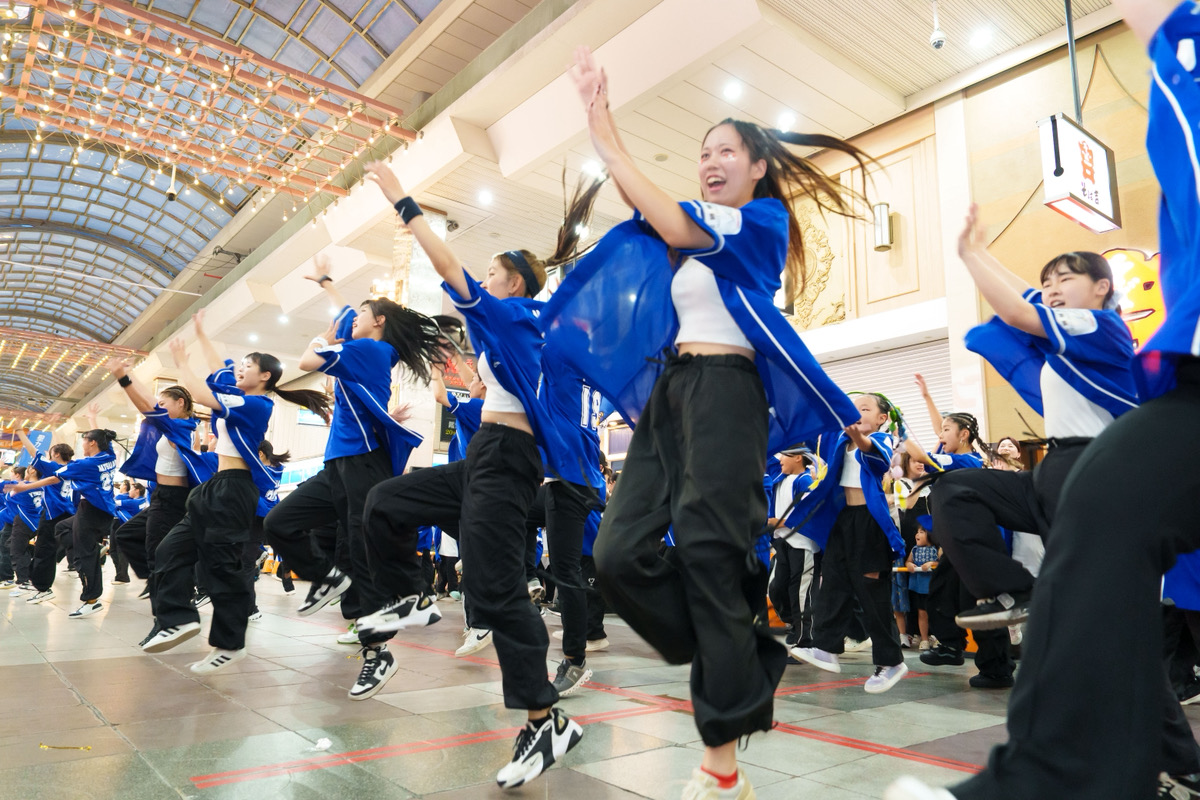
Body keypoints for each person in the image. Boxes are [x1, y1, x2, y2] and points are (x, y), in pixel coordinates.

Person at [887, 2, 1200, 798]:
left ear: (1101, 286)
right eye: (1052, 271)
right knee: (962, 491)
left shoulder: (1098, 326)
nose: (1057, 280)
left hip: (1093, 465)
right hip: (1059, 471)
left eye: (1070, 271)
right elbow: (1012, 328)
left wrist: (973, 252)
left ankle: (1140, 751)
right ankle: (1021, 596)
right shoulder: (1059, 356)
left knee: (1108, 605)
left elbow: (1023, 312)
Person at [540, 46, 870, 798]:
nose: (710, 161)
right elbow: (648, 235)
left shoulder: (760, 221)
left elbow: (665, 214)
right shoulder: (687, 242)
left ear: (757, 166)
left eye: (725, 150)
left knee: (712, 555)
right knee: (617, 553)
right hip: (672, 394)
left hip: (728, 391)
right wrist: (596, 117)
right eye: (703, 153)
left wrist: (605, 125)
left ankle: (721, 771)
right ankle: (739, 653)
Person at [357, 157, 605, 787]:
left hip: (506, 464)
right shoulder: (516, 330)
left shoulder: (514, 316)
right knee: (385, 502)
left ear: (516, 284)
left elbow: (446, 270)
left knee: (495, 591)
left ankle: (546, 720)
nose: (482, 280)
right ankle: (409, 595)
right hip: (483, 460)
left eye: (493, 273)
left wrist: (404, 203)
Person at [263, 253, 444, 698]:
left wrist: (321, 335)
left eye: (363, 314)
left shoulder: (371, 349)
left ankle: (380, 649)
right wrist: (326, 282)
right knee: (278, 523)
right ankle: (329, 581)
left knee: (364, 552)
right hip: (339, 463)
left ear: (378, 322)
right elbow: (349, 317)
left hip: (362, 460)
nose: (350, 320)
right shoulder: (367, 347)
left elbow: (308, 359)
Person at [140, 311, 330, 675]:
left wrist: (180, 362)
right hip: (213, 488)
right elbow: (219, 370)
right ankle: (177, 618)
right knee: (168, 549)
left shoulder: (258, 403)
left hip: (234, 489)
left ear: (265, 377)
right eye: (241, 365)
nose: (240, 369)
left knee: (222, 569)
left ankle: (230, 644)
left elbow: (199, 391)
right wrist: (200, 332)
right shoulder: (239, 392)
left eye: (248, 366)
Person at [791, 394, 908, 692]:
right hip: (844, 521)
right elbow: (811, 431)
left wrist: (857, 433)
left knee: (872, 594)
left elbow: (877, 456)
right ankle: (826, 648)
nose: (855, 413)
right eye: (852, 408)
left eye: (864, 409)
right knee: (832, 583)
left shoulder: (882, 438)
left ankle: (891, 661)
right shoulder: (839, 441)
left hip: (870, 523)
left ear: (882, 418)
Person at [5, 429, 119, 617]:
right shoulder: (108, 456)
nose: (82, 444)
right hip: (91, 511)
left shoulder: (81, 465)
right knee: (64, 532)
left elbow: (50, 474)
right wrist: (92, 420)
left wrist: (24, 485)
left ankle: (89, 598)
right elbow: (104, 439)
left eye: (84, 440)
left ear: (92, 443)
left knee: (76, 555)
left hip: (83, 511)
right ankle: (89, 549)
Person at [14, 433, 78, 605]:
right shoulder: (74, 466)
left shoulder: (54, 467)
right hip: (68, 512)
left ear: (56, 455)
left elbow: (33, 452)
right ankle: (82, 544)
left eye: (51, 452)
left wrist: (20, 430)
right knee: (52, 549)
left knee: (44, 550)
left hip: (52, 513)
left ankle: (43, 588)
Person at [766, 447, 819, 649]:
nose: (780, 459)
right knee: (776, 589)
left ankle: (803, 640)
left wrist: (780, 522)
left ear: (798, 458)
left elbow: (809, 512)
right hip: (782, 543)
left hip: (801, 543)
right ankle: (794, 624)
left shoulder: (804, 480)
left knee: (799, 592)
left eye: (785, 455)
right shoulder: (780, 477)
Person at [905, 518, 939, 650]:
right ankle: (924, 639)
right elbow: (907, 562)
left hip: (933, 588)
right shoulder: (914, 550)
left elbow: (942, 563)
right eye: (917, 532)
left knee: (935, 612)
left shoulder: (937, 549)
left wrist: (932, 563)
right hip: (919, 588)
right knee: (922, 613)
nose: (917, 535)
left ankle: (937, 637)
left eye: (921, 532)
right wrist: (910, 565)